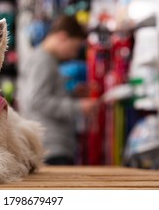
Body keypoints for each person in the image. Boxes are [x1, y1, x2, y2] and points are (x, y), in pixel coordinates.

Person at [17, 14, 98, 165]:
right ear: (63, 37)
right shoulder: (43, 61)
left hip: (50, 145)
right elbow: (38, 101)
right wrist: (79, 107)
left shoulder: (44, 60)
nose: (74, 54)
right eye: (74, 47)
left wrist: (72, 94)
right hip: (50, 147)